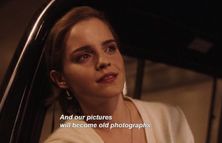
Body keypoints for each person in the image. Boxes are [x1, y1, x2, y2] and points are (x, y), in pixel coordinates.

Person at [44, 6, 194, 143]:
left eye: (110, 48)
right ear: (60, 79)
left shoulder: (169, 118)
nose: (103, 61)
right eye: (84, 56)